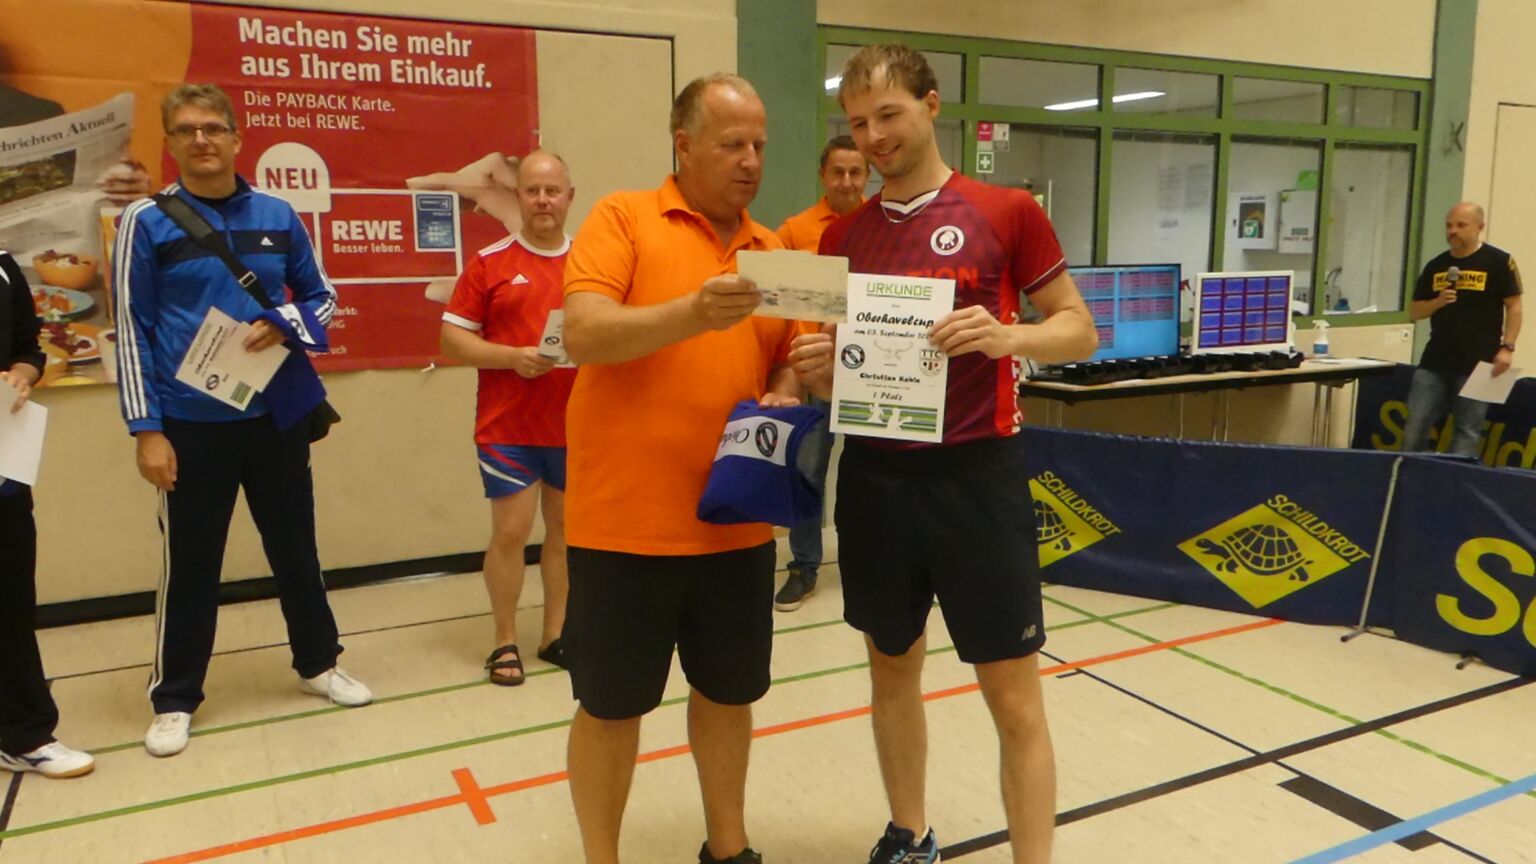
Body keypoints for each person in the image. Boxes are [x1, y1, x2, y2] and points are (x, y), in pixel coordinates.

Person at [788, 45, 1096, 864]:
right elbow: (842, 364)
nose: (873, 137)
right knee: (891, 669)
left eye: (888, 115)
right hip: (876, 480)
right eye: (858, 123)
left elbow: (1079, 329)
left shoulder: (1006, 211)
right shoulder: (842, 236)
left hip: (977, 480)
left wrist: (1009, 337)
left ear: (931, 105)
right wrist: (822, 369)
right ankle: (908, 832)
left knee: (1013, 698)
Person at [560, 73, 801, 864]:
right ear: (684, 145)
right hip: (623, 528)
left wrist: (794, 380)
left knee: (729, 696)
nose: (750, 160)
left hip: (735, 526)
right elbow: (586, 332)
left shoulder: (774, 252)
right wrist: (693, 312)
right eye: (732, 144)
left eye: (759, 144)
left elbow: (785, 362)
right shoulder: (622, 217)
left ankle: (729, 849)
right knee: (611, 707)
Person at [114, 83, 370, 759]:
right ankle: (174, 697)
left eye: (212, 128)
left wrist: (285, 323)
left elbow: (322, 294)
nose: (201, 140)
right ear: (170, 143)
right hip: (190, 424)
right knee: (191, 564)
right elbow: (131, 329)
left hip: (273, 416)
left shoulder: (277, 214)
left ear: (236, 137)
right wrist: (146, 430)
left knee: (296, 547)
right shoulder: (146, 221)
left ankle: (319, 663)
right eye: (186, 130)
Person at [440, 151, 577, 685]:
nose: (542, 200)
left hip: (573, 426)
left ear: (569, 197)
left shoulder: (591, 264)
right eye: (532, 191)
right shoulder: (489, 262)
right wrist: (511, 357)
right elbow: (452, 339)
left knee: (564, 534)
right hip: (508, 429)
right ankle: (504, 640)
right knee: (512, 532)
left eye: (552, 191)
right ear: (517, 196)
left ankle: (556, 634)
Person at [0, 250, 94, 779]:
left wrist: (21, 373)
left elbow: (26, 346)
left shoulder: (3, 265)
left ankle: (24, 735)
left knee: (11, 601)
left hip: (3, 462)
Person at [771, 135, 868, 613]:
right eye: (838, 172)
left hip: (873, 375)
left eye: (856, 172)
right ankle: (804, 567)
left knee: (873, 473)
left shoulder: (885, 227)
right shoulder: (794, 231)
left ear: (867, 176)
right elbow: (778, 300)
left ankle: (874, 564)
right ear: (822, 175)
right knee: (807, 471)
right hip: (815, 374)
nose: (847, 182)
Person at [1403, 202, 1523, 457]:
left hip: (1481, 362)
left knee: (1468, 430)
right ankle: (1409, 472)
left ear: (1480, 227)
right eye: (1449, 225)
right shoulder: (1437, 265)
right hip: (1435, 360)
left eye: (1461, 225)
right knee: (1415, 424)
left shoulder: (1499, 261)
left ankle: (1456, 478)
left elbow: (1514, 307)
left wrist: (1508, 347)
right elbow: (1415, 312)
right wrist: (1437, 302)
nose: (1453, 231)